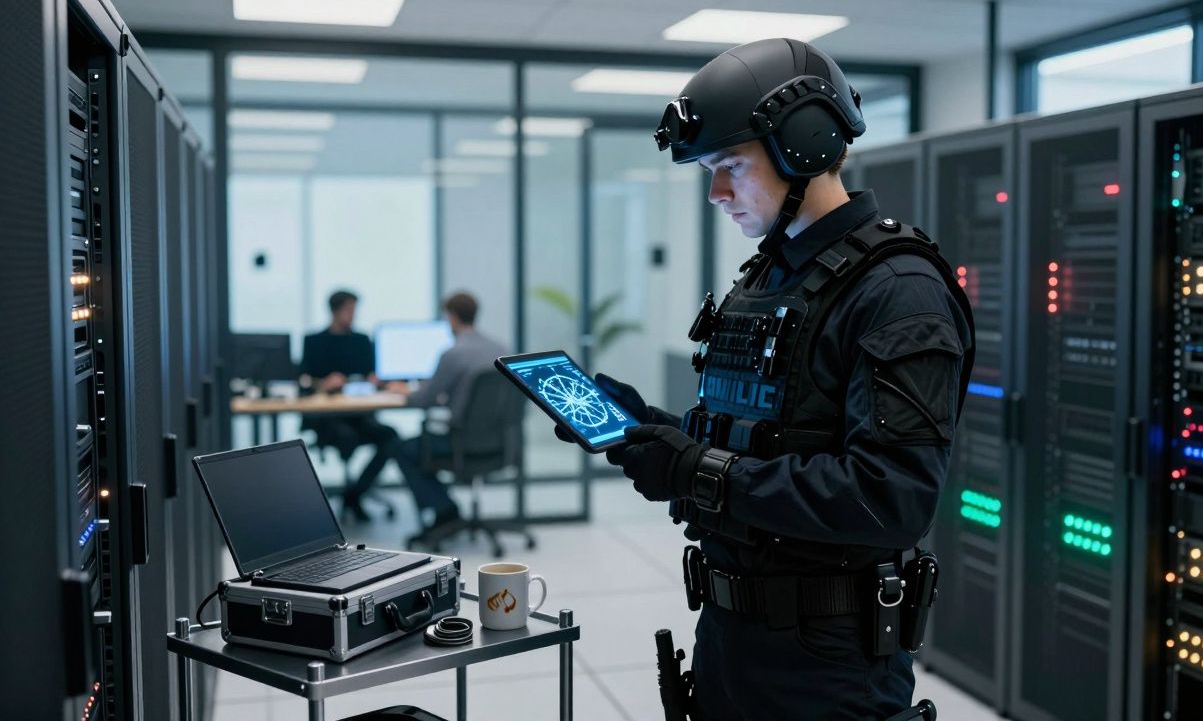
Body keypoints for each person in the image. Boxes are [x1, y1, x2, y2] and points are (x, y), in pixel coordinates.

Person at [579, 39, 976, 719]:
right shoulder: (769, 276)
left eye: (730, 166)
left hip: (828, 666)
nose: (716, 193)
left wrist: (696, 473)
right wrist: (655, 433)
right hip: (732, 638)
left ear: (807, 144)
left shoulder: (897, 290)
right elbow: (770, 443)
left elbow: (891, 497)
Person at [390, 292, 509, 548]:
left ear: (451, 317)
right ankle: (447, 510)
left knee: (401, 448)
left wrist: (402, 391)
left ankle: (445, 511)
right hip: (499, 442)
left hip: (460, 441)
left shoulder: (454, 354)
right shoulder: (501, 349)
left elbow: (424, 400)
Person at [300, 289, 400, 522]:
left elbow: (370, 374)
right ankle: (352, 496)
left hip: (360, 414)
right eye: (349, 310)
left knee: (391, 438)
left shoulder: (361, 340)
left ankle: (355, 493)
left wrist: (375, 380)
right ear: (335, 311)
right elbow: (302, 379)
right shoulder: (314, 341)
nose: (353, 315)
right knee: (346, 437)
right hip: (328, 419)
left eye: (355, 310)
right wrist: (323, 384)